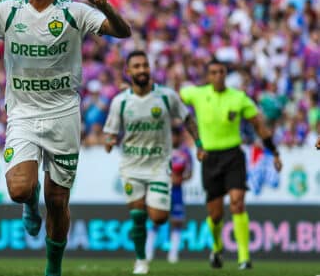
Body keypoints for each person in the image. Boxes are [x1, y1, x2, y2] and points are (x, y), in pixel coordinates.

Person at [0, 0, 131, 275]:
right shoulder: (8, 10)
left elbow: (121, 31)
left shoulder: (73, 12)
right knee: (20, 189)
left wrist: (106, 7)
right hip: (23, 114)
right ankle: (31, 206)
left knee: (58, 201)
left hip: (64, 115)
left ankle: (52, 269)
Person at [103, 51, 203, 274]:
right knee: (137, 216)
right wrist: (109, 141)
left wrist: (199, 143)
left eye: (145, 66)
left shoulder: (167, 96)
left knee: (159, 217)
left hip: (159, 166)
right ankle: (141, 260)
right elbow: (110, 132)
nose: (142, 70)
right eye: (136, 67)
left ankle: (150, 203)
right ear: (128, 72)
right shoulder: (120, 102)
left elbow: (188, 119)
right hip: (131, 166)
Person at [179, 59, 282, 270]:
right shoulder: (196, 94)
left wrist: (275, 152)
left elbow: (259, 126)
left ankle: (244, 258)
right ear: (208, 76)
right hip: (209, 157)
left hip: (233, 155)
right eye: (214, 72)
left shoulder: (239, 98)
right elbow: (174, 98)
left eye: (221, 72)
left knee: (237, 203)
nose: (218, 76)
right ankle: (216, 249)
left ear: (226, 75)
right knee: (215, 215)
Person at [145, 122, 192, 264]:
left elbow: (190, 173)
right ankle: (148, 253)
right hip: (162, 189)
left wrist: (181, 179)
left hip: (177, 191)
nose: (173, 139)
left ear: (179, 137)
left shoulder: (185, 152)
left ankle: (173, 255)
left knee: (177, 222)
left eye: (175, 136)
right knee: (156, 220)